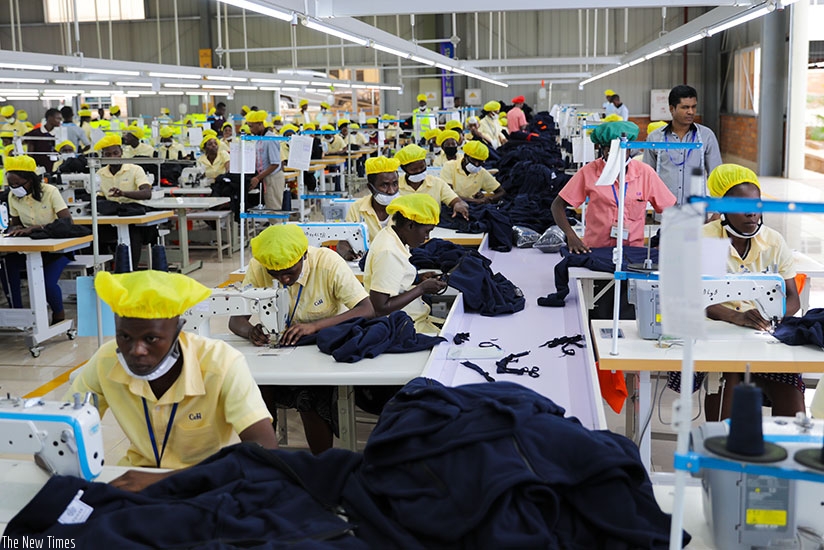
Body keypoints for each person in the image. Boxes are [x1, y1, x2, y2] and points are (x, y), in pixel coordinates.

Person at [66, 270, 277, 490]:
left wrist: (163, 481)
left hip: (208, 484)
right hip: (136, 479)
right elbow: (64, 426)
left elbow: (265, 451)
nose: (136, 350)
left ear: (177, 330)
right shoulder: (105, 361)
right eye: (125, 337)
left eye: (151, 338)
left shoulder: (222, 363)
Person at [670, 165, 804, 420]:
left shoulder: (773, 241)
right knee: (731, 373)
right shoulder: (707, 239)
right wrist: (737, 318)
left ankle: (786, 451)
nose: (752, 213)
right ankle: (724, 447)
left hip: (763, 332)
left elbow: (793, 298)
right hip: (716, 331)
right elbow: (697, 298)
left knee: (791, 391)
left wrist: (773, 317)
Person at [229, 224, 374, 454]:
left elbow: (366, 309)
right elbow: (235, 320)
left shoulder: (328, 264)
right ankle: (263, 461)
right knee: (255, 389)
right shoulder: (260, 266)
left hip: (320, 353)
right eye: (275, 275)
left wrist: (314, 326)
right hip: (282, 352)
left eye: (289, 272)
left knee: (309, 396)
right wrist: (250, 331)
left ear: (304, 255)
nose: (284, 280)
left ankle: (320, 464)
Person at [550, 121, 675, 254]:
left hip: (633, 252)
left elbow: (673, 210)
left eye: (621, 148)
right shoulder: (589, 172)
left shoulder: (645, 173)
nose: (614, 153)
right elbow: (557, 206)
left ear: (629, 148)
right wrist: (571, 236)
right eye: (609, 148)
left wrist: (665, 239)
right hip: (595, 249)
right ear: (602, 149)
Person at [0, 155, 72, 324]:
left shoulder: (50, 192)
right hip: (29, 249)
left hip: (57, 249)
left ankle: (59, 315)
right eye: (11, 184)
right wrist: (15, 229)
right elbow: (16, 223)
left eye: (17, 184)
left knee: (46, 283)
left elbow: (67, 222)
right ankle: (17, 315)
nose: (14, 187)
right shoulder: (13, 196)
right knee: (6, 267)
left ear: (30, 180)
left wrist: (37, 228)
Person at [364, 194, 447, 334]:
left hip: (411, 319)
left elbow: (395, 277)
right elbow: (379, 308)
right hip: (399, 328)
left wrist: (418, 278)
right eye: (427, 232)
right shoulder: (389, 251)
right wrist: (421, 288)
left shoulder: (394, 236)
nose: (427, 238)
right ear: (410, 225)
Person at [643, 85, 722, 205]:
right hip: (663, 213)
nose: (691, 112)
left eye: (693, 107)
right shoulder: (655, 138)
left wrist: (717, 211)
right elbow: (646, 178)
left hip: (696, 212)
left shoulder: (706, 136)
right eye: (685, 107)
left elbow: (717, 176)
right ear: (671, 109)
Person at [94, 134, 153, 269]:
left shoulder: (135, 169)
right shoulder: (99, 174)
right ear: (103, 156)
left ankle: (131, 270)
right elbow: (99, 197)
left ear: (121, 153)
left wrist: (124, 193)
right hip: (111, 219)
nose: (112, 157)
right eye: (108, 154)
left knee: (133, 236)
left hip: (134, 218)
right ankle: (100, 271)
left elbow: (147, 193)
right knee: (93, 236)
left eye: (115, 153)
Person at [395, 144, 469, 220]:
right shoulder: (395, 186)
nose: (419, 171)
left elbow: (455, 200)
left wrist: (458, 205)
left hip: (433, 228)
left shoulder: (437, 183)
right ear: (404, 169)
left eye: (422, 167)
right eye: (414, 169)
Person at [346, 156, 400, 242]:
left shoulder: (405, 209)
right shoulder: (357, 209)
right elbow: (348, 239)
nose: (391, 191)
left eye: (395, 184)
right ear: (370, 188)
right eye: (384, 185)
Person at [439, 141, 505, 204]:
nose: (476, 164)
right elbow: (448, 194)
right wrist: (475, 201)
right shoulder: (449, 166)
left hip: (472, 207)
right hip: (452, 206)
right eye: (473, 160)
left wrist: (488, 199)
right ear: (465, 156)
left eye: (480, 162)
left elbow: (501, 192)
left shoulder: (482, 173)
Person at [246, 110, 285, 211]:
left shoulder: (270, 139)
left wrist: (257, 178)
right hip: (266, 177)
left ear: (260, 124)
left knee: (274, 210)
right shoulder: (260, 139)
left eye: (251, 126)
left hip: (273, 178)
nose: (250, 130)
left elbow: (275, 164)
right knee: (271, 208)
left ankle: (277, 226)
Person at [24, 108, 62, 173]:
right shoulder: (35, 133)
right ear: (50, 118)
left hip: (54, 166)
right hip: (38, 167)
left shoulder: (60, 134)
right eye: (58, 118)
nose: (60, 121)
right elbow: (30, 153)